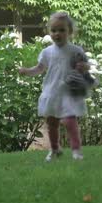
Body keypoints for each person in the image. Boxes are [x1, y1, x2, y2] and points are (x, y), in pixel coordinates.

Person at [18, 11, 92, 161]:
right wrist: (26, 71)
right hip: (52, 91)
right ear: (49, 32)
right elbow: (39, 68)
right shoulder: (47, 52)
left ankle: (76, 150)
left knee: (70, 121)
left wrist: (84, 67)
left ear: (70, 32)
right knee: (52, 122)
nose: (57, 34)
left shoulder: (75, 51)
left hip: (69, 91)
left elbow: (85, 66)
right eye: (54, 30)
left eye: (62, 30)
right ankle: (54, 148)